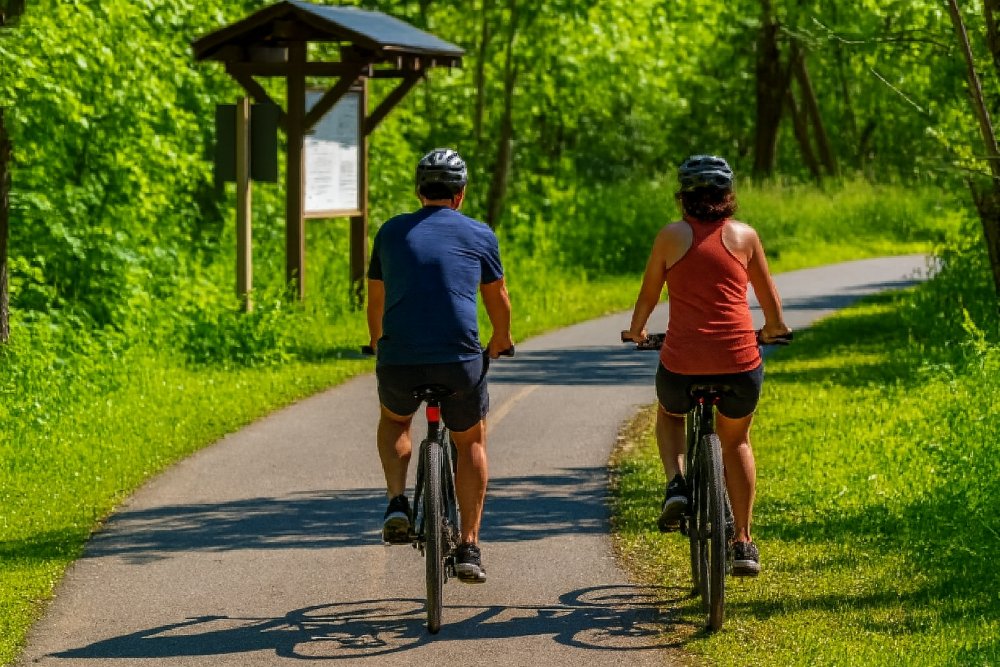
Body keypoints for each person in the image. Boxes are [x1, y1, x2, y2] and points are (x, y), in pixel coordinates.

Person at [622, 154, 790, 576]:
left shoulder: (670, 236)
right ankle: (744, 542)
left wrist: (637, 332)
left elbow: (648, 294)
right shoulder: (746, 237)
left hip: (682, 366)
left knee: (670, 413)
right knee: (737, 442)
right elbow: (769, 301)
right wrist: (773, 330)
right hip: (739, 364)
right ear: (727, 195)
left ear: (684, 196)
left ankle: (676, 483)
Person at [366, 147, 514, 584]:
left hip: (400, 361)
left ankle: (397, 500)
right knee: (470, 440)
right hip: (459, 361)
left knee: (396, 420)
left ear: (419, 191)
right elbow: (498, 299)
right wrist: (501, 339)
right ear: (460, 194)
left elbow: (376, 301)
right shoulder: (479, 234)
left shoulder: (390, 232)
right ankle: (469, 546)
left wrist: (377, 343)